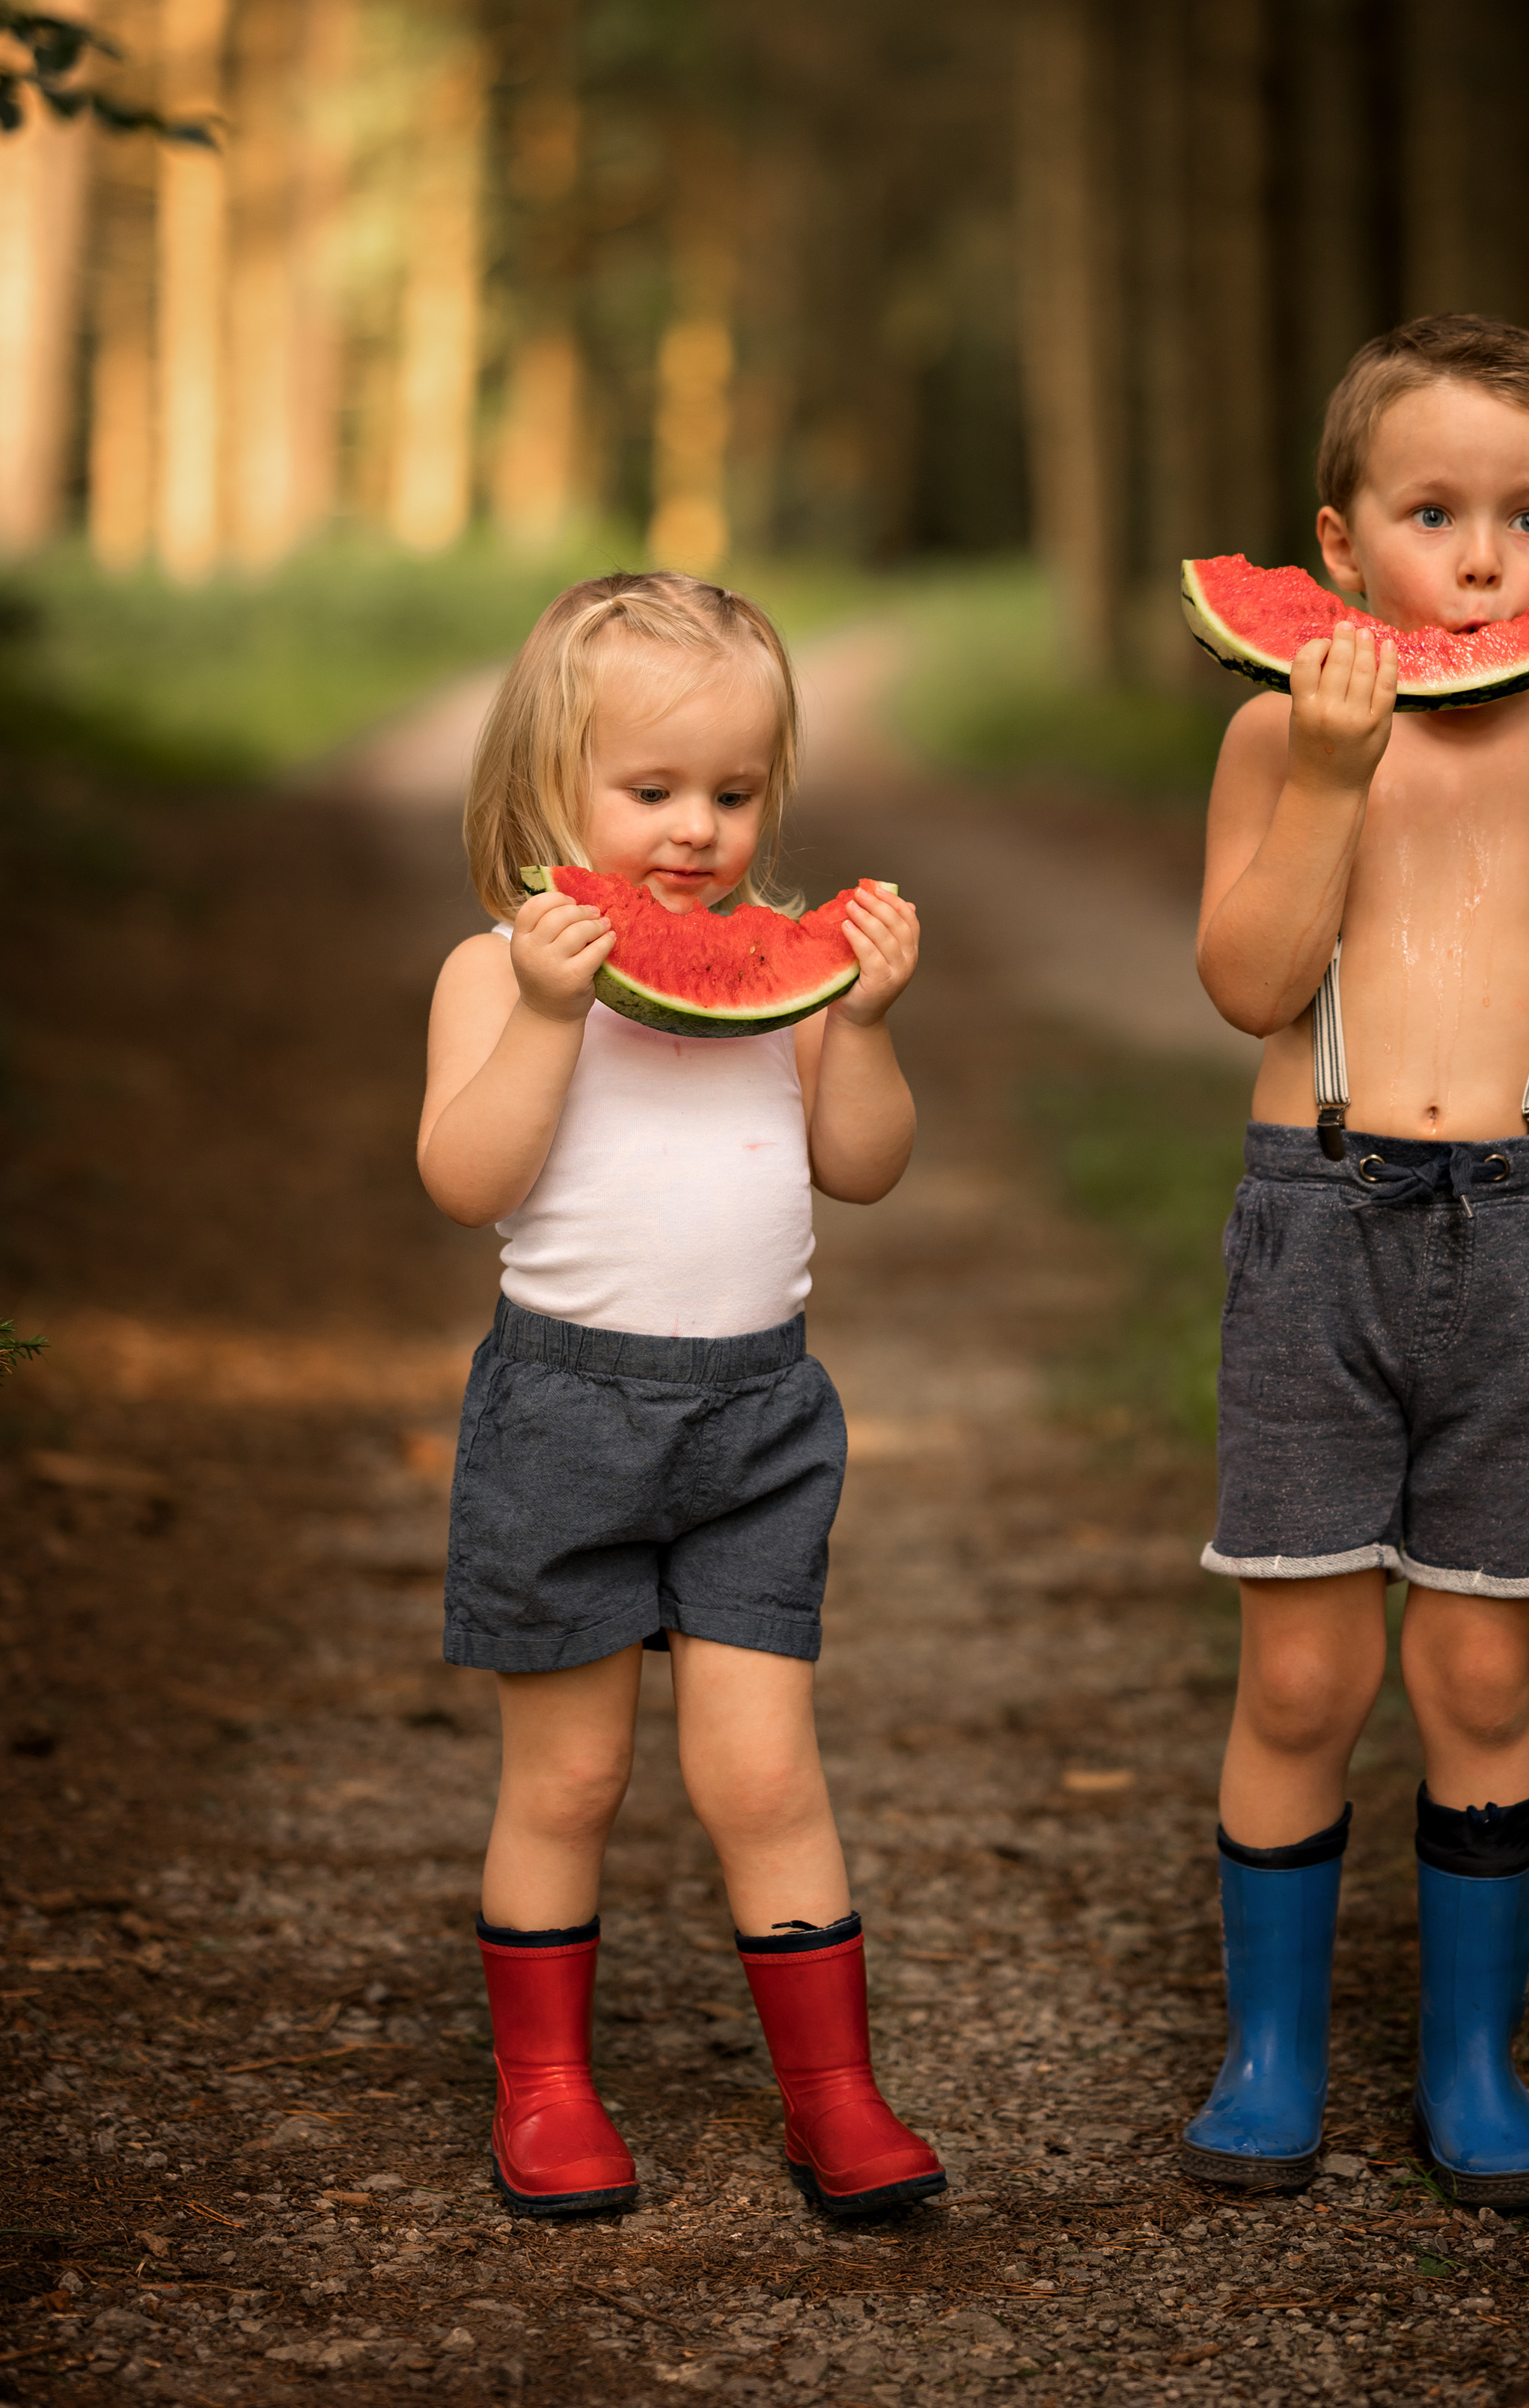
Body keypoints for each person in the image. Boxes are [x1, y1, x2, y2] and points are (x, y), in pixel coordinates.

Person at [1182, 314, 1529, 2208]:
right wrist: (1325, 779)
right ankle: (1269, 2058)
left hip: (1528, 1232)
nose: (1482, 560)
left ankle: (1472, 2064)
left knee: (1481, 1681)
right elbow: (1248, 981)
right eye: (1431, 512)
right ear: (1336, 544)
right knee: (1305, 1683)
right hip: (1316, 1224)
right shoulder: (1272, 728)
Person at [418, 570, 944, 2225]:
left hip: (756, 1425)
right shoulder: (491, 973)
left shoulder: (768, 984)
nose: (697, 830)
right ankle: (548, 2089)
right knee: (567, 1782)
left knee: (764, 1778)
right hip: (564, 1417)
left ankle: (833, 2096)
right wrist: (550, 1016)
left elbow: (861, 1169)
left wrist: (856, 1023)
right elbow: (461, 1175)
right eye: (650, 791)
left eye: (732, 792)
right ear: (543, 789)